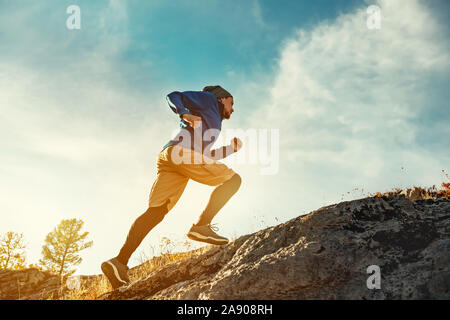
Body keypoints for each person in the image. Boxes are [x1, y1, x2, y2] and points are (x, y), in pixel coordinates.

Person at [101, 85, 243, 289]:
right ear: (222, 99)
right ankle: (202, 225)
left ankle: (119, 262)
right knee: (233, 180)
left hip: (172, 157)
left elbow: (203, 158)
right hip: (180, 153)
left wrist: (230, 149)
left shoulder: (212, 121)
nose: (233, 109)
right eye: (232, 103)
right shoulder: (209, 100)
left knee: (156, 211)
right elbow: (173, 96)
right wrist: (185, 113)